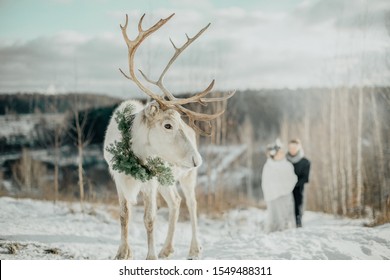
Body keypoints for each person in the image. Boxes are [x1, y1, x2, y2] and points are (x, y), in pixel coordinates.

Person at [261, 139, 297, 233]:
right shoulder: (268, 166)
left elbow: (292, 179)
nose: (281, 154)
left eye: (282, 152)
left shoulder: (288, 165)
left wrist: (284, 188)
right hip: (273, 197)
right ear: (274, 154)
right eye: (279, 153)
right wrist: (274, 191)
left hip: (286, 196)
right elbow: (266, 183)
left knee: (286, 219)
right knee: (274, 219)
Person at [286, 139, 311, 228]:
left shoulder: (305, 162)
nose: (292, 149)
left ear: (299, 147)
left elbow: (305, 178)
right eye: (290, 147)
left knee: (298, 205)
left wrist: (293, 184)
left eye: (294, 147)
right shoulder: (284, 160)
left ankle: (298, 223)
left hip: (298, 188)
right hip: (284, 188)